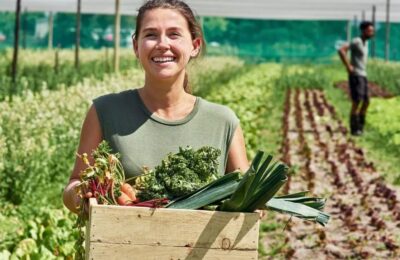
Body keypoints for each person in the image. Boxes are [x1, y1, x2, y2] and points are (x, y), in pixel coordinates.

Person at [63, 0, 249, 214]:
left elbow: (245, 196)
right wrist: (84, 193)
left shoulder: (222, 121)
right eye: (151, 35)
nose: (162, 44)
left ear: (195, 46)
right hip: (121, 246)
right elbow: (73, 186)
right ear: (136, 46)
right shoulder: (104, 111)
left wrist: (256, 203)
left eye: (174, 34)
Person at [338, 21, 375, 136]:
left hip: (363, 75)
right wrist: (348, 66)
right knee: (357, 101)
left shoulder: (365, 43)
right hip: (356, 75)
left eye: (372, 31)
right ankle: (355, 129)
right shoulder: (356, 41)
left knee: (367, 101)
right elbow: (341, 50)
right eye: (369, 31)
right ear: (363, 31)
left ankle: (361, 126)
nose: (371, 33)